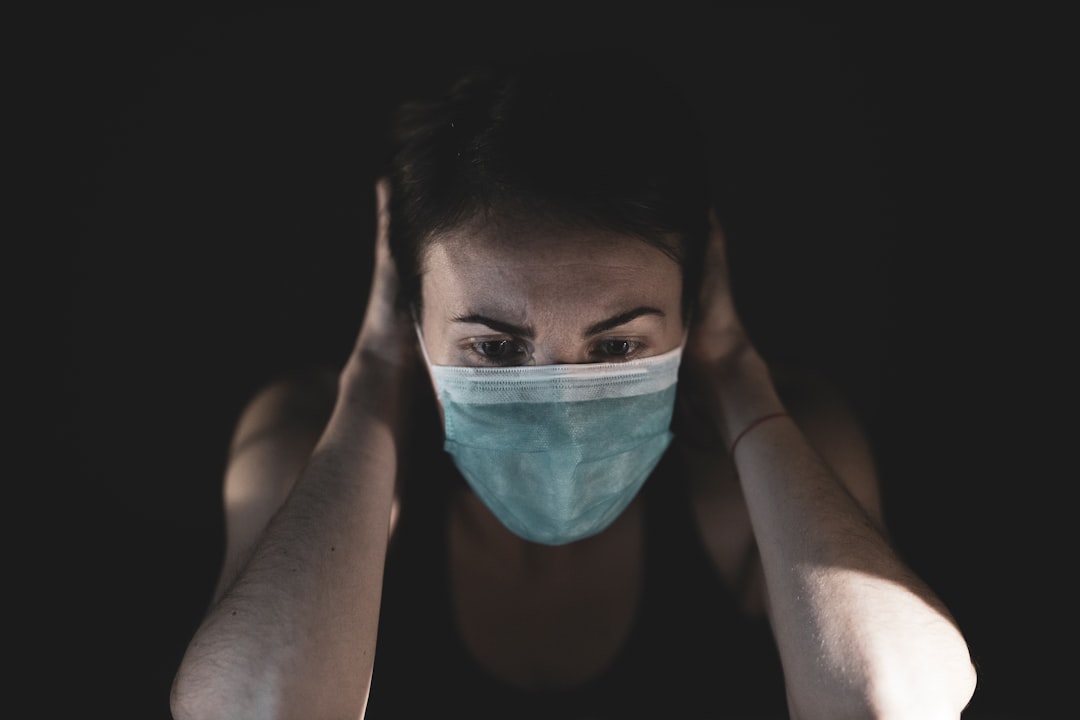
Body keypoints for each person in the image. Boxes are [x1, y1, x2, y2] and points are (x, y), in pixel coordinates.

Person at [169, 49, 977, 719]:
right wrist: (377, 378)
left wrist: (737, 380)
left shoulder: (770, 456)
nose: (559, 404)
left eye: (619, 342)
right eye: (494, 348)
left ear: (690, 315)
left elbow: (894, 699)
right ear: (413, 320)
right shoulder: (306, 439)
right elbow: (250, 708)